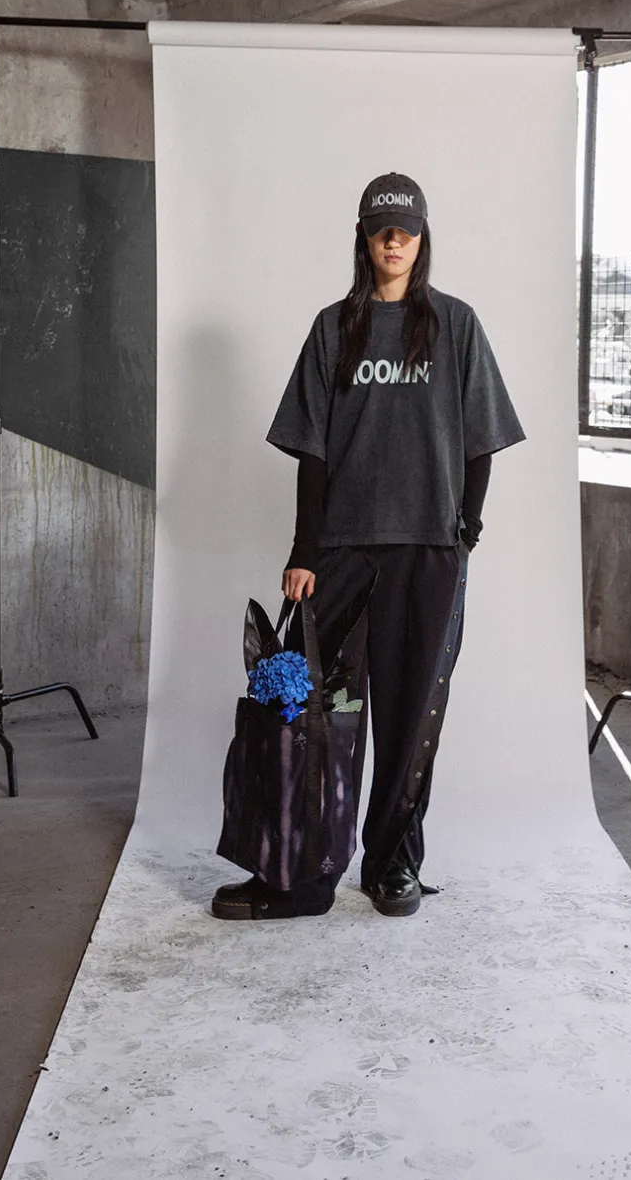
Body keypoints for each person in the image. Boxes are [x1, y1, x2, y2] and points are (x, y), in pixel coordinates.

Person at [211, 172, 525, 921]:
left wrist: (466, 531)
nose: (393, 241)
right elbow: (312, 451)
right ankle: (303, 875)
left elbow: (481, 441)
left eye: (405, 230)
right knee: (321, 714)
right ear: (363, 236)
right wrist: (304, 550)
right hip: (344, 551)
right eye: (382, 229)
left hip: (427, 552)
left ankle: (393, 865)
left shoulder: (455, 325)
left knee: (411, 718)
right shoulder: (334, 328)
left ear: (421, 238)